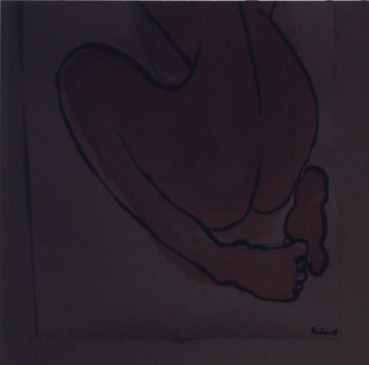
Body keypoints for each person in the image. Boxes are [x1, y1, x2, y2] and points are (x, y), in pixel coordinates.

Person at [57, 2, 330, 303]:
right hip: (292, 127)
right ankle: (280, 210)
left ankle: (224, 259)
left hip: (227, 166)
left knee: (81, 77)